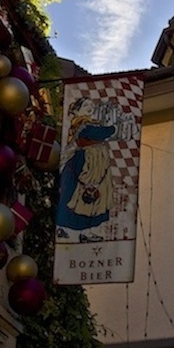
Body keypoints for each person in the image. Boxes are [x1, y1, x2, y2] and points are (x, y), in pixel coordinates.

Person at [55, 97, 116, 241]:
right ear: (77, 110)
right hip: (83, 163)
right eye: (85, 105)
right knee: (74, 194)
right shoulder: (82, 125)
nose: (90, 107)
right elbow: (103, 132)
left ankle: (87, 232)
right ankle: (64, 229)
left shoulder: (92, 124)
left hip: (97, 165)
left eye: (90, 104)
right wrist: (112, 127)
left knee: (95, 198)